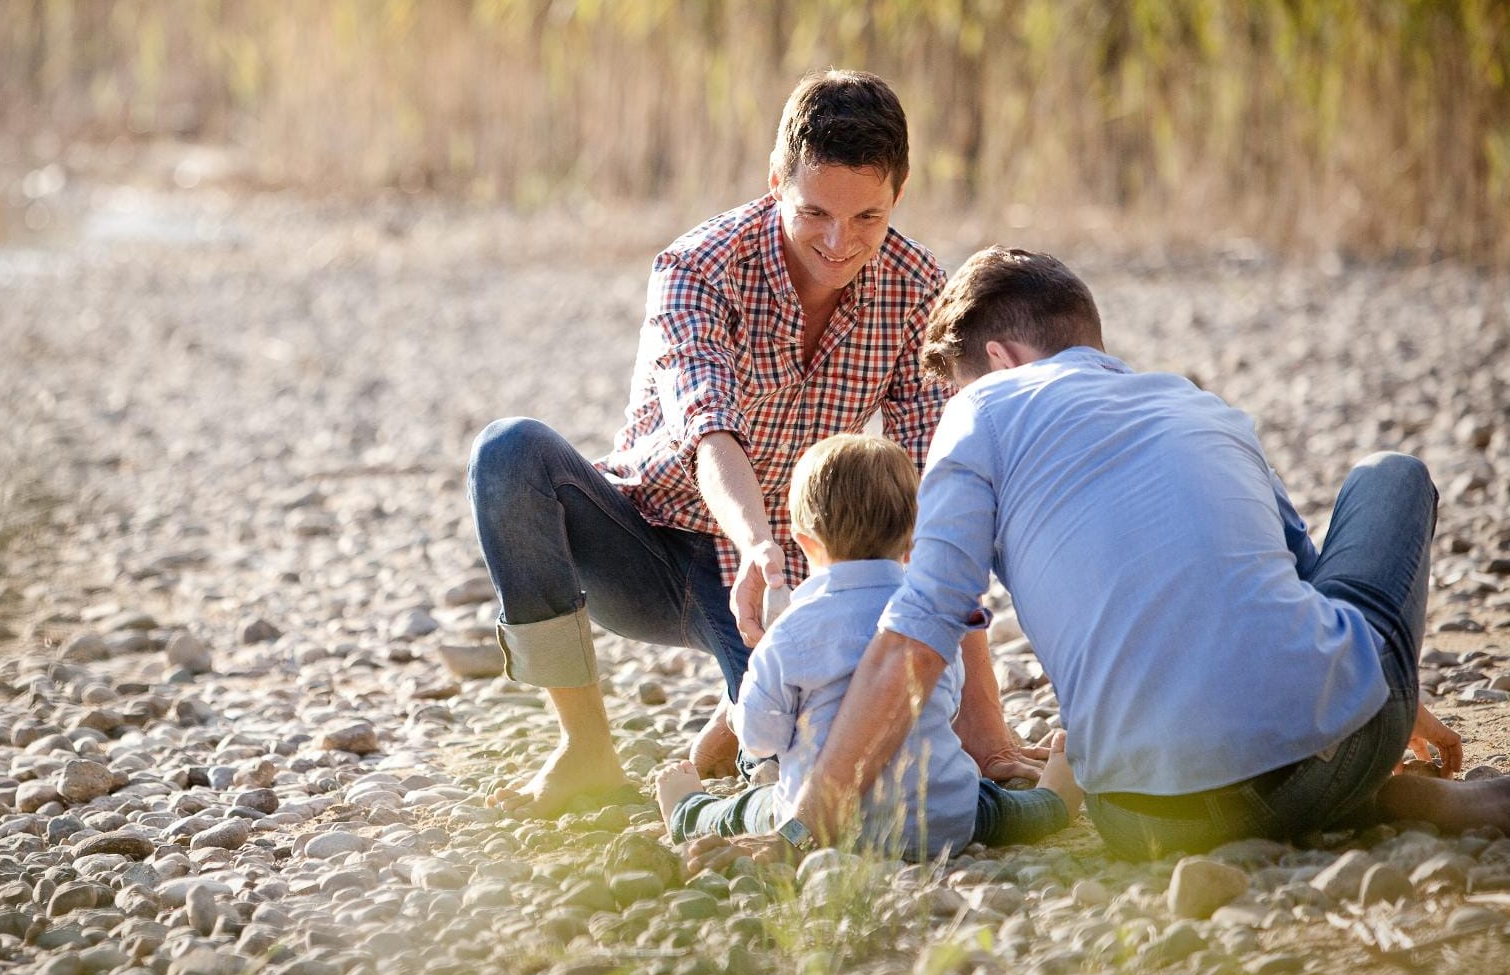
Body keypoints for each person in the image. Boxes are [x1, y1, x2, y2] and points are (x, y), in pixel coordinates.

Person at [698, 245, 1488, 870]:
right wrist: (1398, 707)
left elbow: (918, 635)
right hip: (1338, 752)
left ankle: (1358, 806)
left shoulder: (980, 413)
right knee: (1392, 474)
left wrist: (805, 831)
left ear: (999, 362)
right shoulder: (1200, 407)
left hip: (1142, 817)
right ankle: (1367, 796)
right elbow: (1304, 583)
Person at [465, 71, 1042, 818]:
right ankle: (584, 751)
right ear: (777, 182)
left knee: (793, 773)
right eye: (815, 213)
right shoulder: (696, 268)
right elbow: (709, 431)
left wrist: (986, 734)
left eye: (867, 216)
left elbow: (938, 498)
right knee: (508, 452)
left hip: (789, 585)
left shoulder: (915, 286)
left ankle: (723, 729)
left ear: (900, 192)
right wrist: (756, 543)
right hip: (648, 541)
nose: (840, 243)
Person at [653, 434, 1079, 861]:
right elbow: (946, 706)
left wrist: (748, 697)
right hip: (941, 822)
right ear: (914, 539)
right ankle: (1055, 801)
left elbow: (761, 740)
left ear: (805, 543)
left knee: (748, 810)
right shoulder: (930, 616)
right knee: (995, 807)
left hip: (822, 826)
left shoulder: (792, 631)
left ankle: (690, 811)